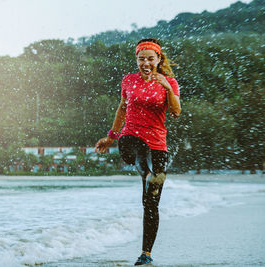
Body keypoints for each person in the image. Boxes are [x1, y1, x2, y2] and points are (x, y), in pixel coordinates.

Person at [94, 38, 181, 265]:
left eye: (150, 58)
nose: (145, 62)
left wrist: (167, 88)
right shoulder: (128, 80)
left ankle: (146, 254)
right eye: (141, 58)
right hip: (130, 137)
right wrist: (111, 136)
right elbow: (122, 108)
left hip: (157, 145)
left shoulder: (169, 82)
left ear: (158, 59)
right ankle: (149, 173)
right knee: (132, 146)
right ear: (136, 60)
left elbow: (176, 112)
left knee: (150, 204)